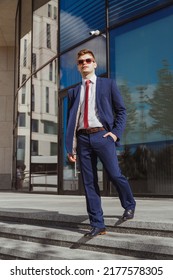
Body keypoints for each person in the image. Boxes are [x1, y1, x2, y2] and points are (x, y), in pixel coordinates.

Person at [66, 49, 136, 237]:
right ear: (78, 66)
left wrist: (114, 134)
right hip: (82, 139)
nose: (84, 63)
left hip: (103, 136)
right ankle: (97, 224)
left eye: (88, 60)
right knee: (89, 183)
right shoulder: (73, 91)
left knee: (115, 174)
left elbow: (121, 111)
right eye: (81, 61)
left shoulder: (107, 84)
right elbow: (71, 121)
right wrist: (70, 146)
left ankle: (129, 204)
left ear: (95, 64)